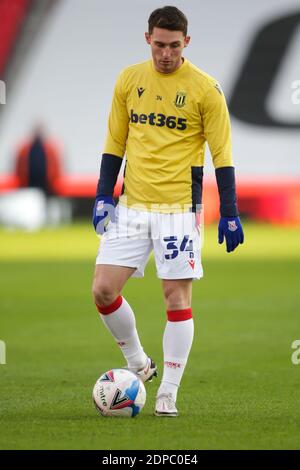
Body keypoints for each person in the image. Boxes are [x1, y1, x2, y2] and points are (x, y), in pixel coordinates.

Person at [92, 6, 244, 417]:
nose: (165, 54)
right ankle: (140, 364)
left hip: (178, 209)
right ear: (147, 39)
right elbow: (114, 141)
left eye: (174, 46)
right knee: (103, 290)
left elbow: (222, 154)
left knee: (175, 299)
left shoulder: (205, 89)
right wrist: (105, 195)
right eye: (159, 45)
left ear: (186, 43)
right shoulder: (129, 79)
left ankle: (168, 393)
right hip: (132, 206)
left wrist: (229, 210)